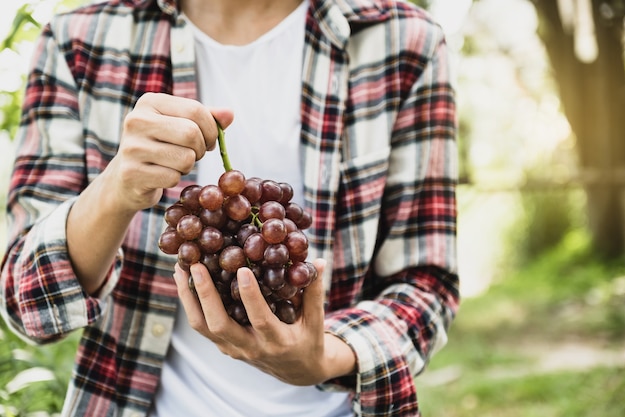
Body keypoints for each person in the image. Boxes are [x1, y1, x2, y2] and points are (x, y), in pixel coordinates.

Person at [0, 0, 460, 415]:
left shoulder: (403, 40)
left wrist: (326, 358)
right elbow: (27, 300)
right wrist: (116, 189)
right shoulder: (79, 39)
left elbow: (426, 283)